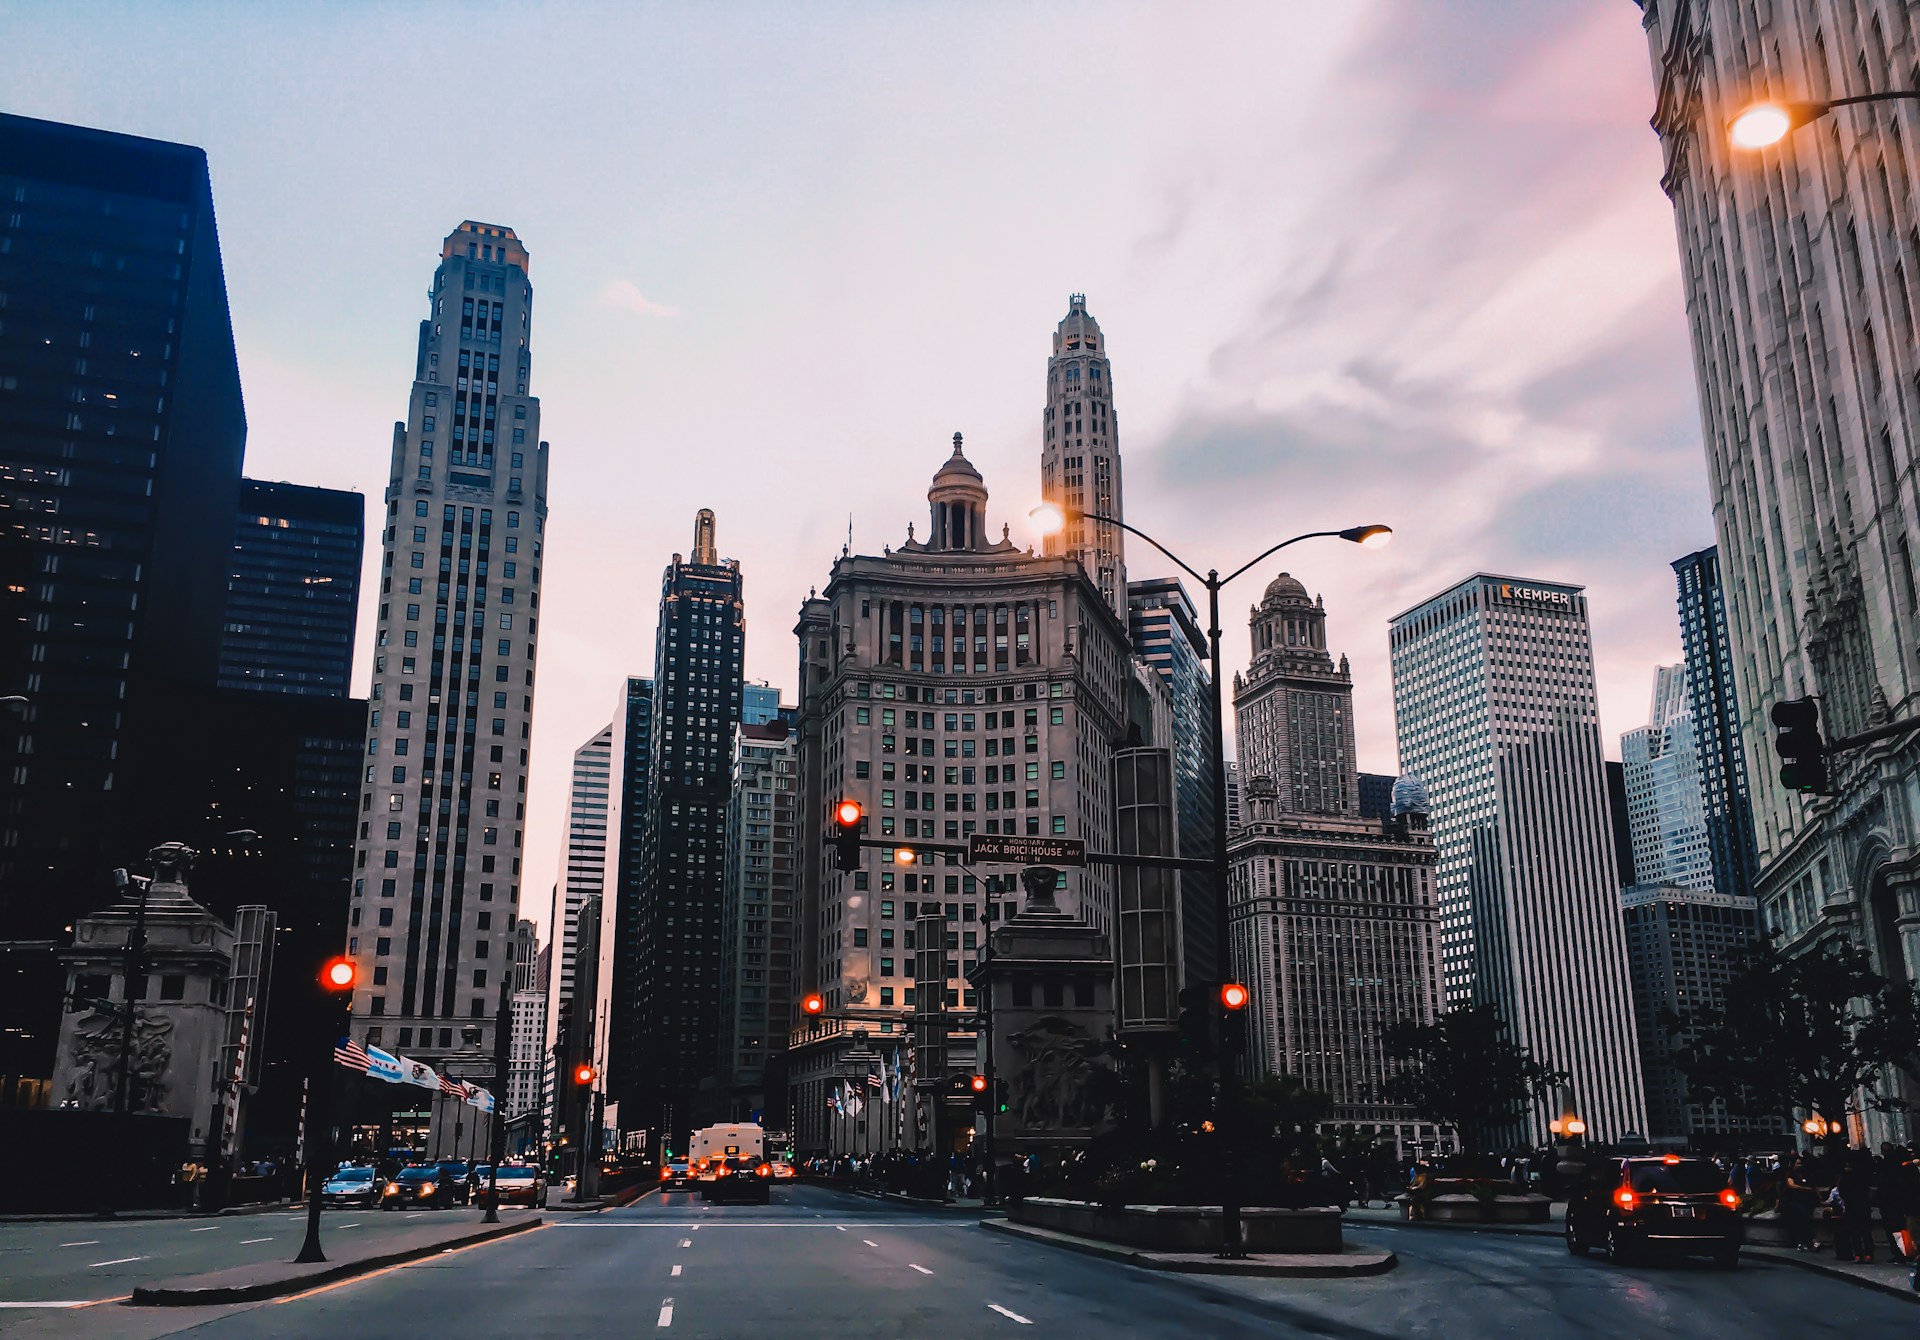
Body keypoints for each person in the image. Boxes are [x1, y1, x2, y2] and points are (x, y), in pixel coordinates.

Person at [1780, 1155, 1818, 1252]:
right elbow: (1791, 1185)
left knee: (1804, 1220)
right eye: (1797, 1163)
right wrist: (1805, 1189)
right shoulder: (1790, 1174)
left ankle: (1804, 1242)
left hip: (1803, 1201)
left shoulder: (1804, 1175)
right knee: (1805, 1218)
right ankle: (1811, 1241)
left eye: (1800, 1163)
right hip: (1791, 1202)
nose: (1799, 1165)